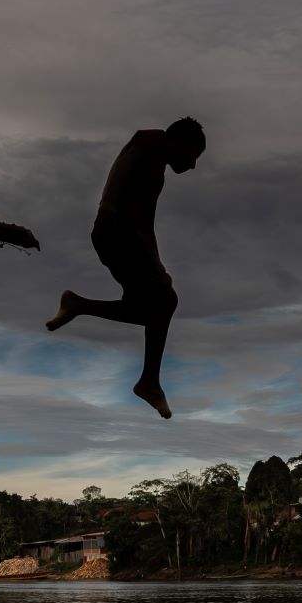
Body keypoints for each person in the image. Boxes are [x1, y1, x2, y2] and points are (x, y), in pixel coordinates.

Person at [45, 117, 206, 419]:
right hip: (115, 231)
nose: (193, 165)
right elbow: (120, 169)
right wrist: (107, 207)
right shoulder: (151, 139)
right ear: (181, 142)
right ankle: (149, 383)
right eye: (194, 155)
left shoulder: (157, 172)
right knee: (165, 300)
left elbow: (147, 225)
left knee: (152, 309)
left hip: (126, 237)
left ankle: (78, 305)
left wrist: (156, 264)